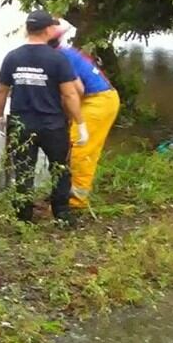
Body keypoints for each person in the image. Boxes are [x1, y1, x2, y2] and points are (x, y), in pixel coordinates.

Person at [0, 10, 88, 225]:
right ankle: (62, 215)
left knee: (23, 170)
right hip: (52, 125)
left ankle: (23, 219)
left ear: (28, 29)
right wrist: (81, 123)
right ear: (47, 30)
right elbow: (70, 94)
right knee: (60, 169)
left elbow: (1, 91)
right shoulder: (57, 58)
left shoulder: (12, 57)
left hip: (21, 125)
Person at [48, 25, 121, 209]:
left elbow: (77, 90)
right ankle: (70, 192)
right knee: (80, 147)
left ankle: (77, 200)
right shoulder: (63, 53)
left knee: (80, 150)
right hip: (98, 99)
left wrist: (71, 116)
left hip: (98, 101)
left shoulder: (60, 57)